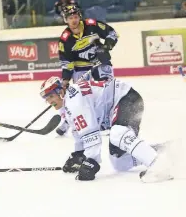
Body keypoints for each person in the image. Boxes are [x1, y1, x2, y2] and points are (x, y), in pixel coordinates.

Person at [39, 76, 173, 183]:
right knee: (120, 162)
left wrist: (92, 161)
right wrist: (78, 154)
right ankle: (163, 150)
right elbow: (78, 132)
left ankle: (157, 165)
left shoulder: (74, 101)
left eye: (51, 96)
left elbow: (91, 133)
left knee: (117, 133)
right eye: (46, 99)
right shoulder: (68, 106)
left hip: (126, 99)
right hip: (118, 106)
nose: (49, 101)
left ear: (61, 92)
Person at [56, 4, 119, 136]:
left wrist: (106, 47)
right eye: (70, 18)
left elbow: (112, 33)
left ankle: (105, 122)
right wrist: (66, 80)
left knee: (107, 92)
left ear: (79, 16)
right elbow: (67, 63)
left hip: (100, 63)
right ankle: (69, 121)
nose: (73, 20)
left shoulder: (92, 25)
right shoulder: (65, 39)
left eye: (75, 16)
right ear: (65, 20)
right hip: (81, 68)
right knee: (78, 97)